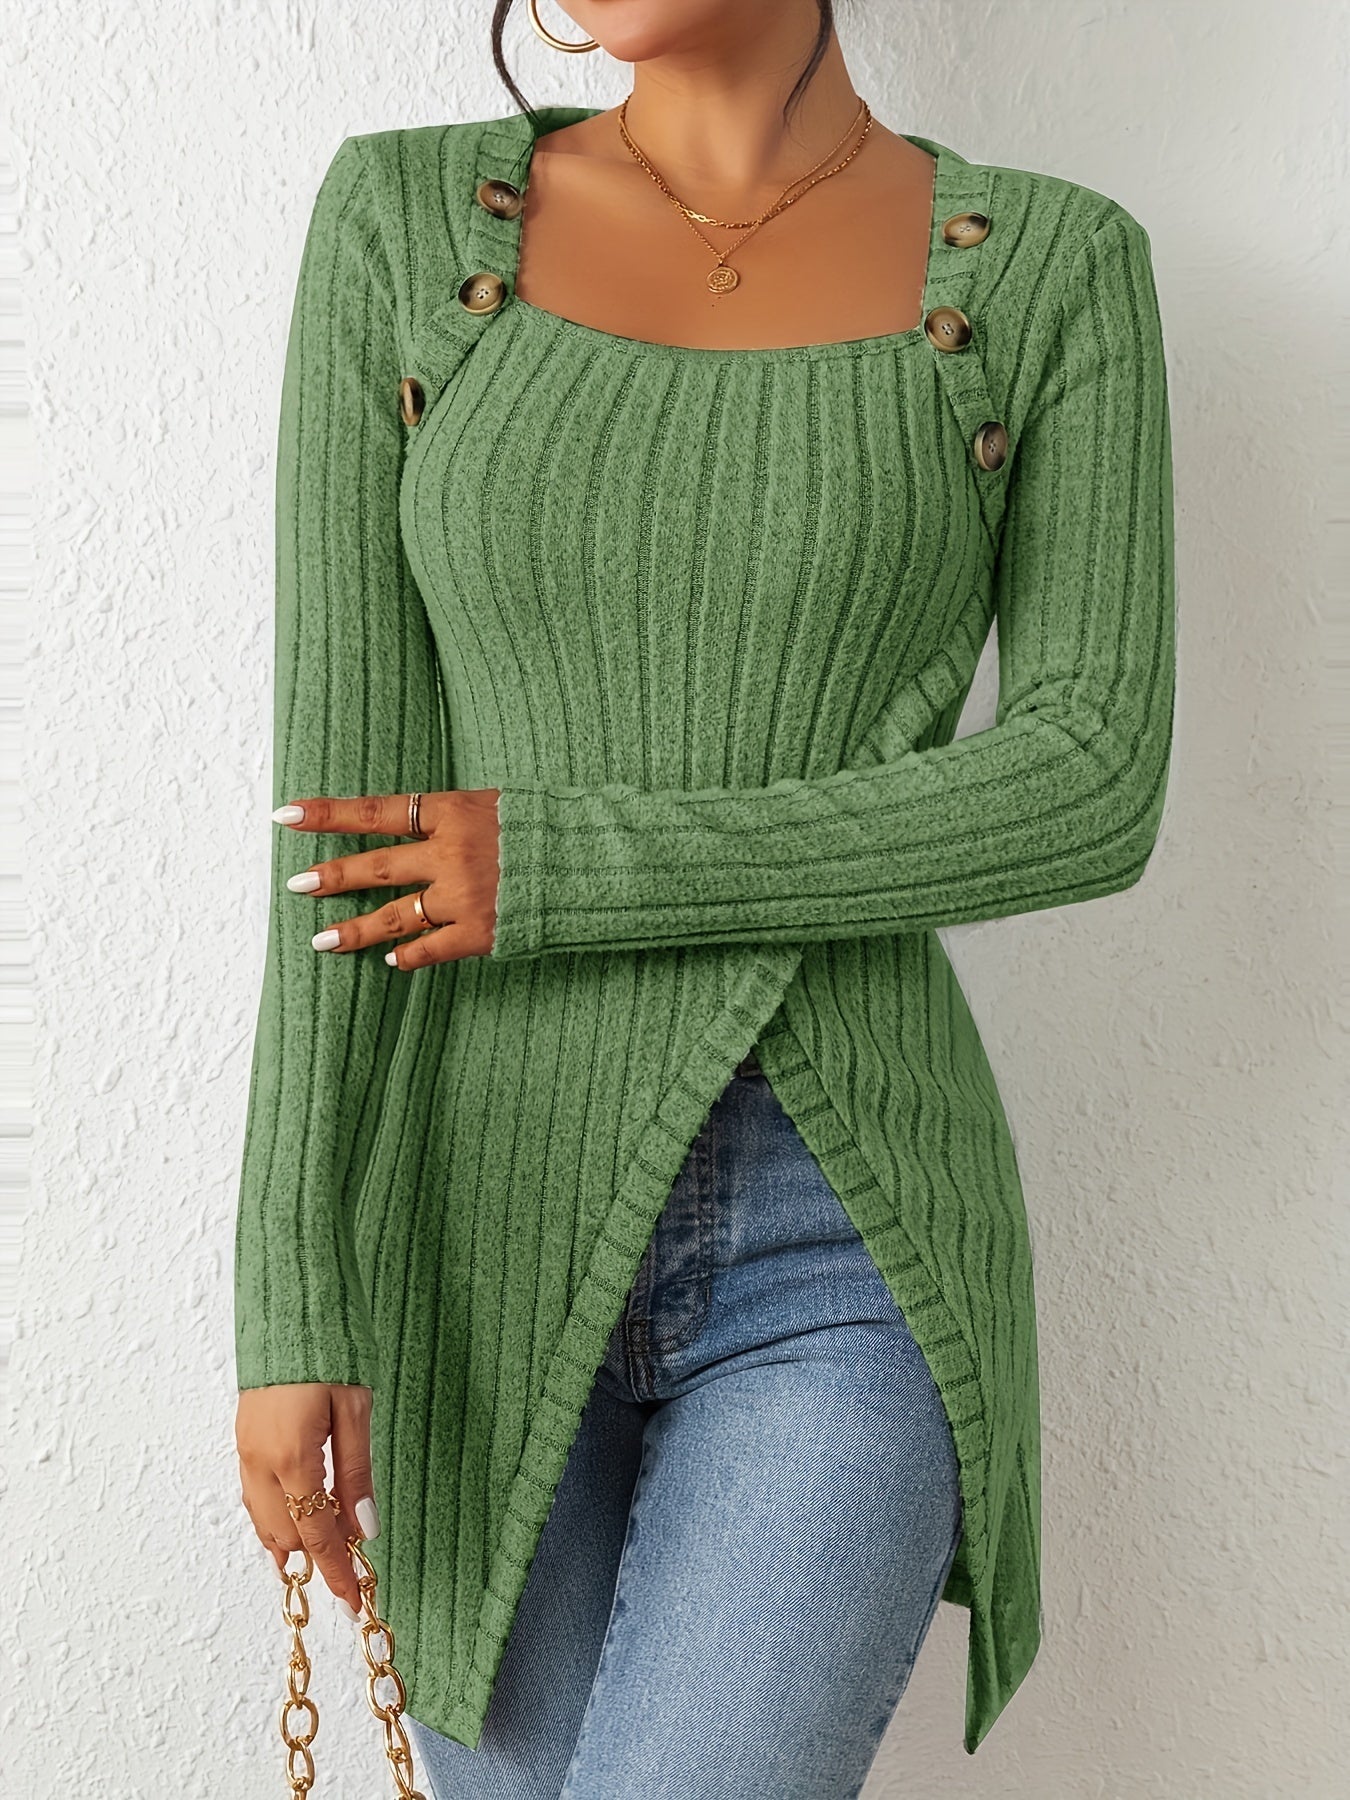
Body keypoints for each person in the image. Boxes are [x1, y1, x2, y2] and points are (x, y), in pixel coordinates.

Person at [232, 2, 1176, 1795]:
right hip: (466, 1231)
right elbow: (337, 821)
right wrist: (292, 1295)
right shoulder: (403, 228)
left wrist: (564, 864)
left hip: (846, 1231)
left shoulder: (1048, 272)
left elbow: (1088, 779)